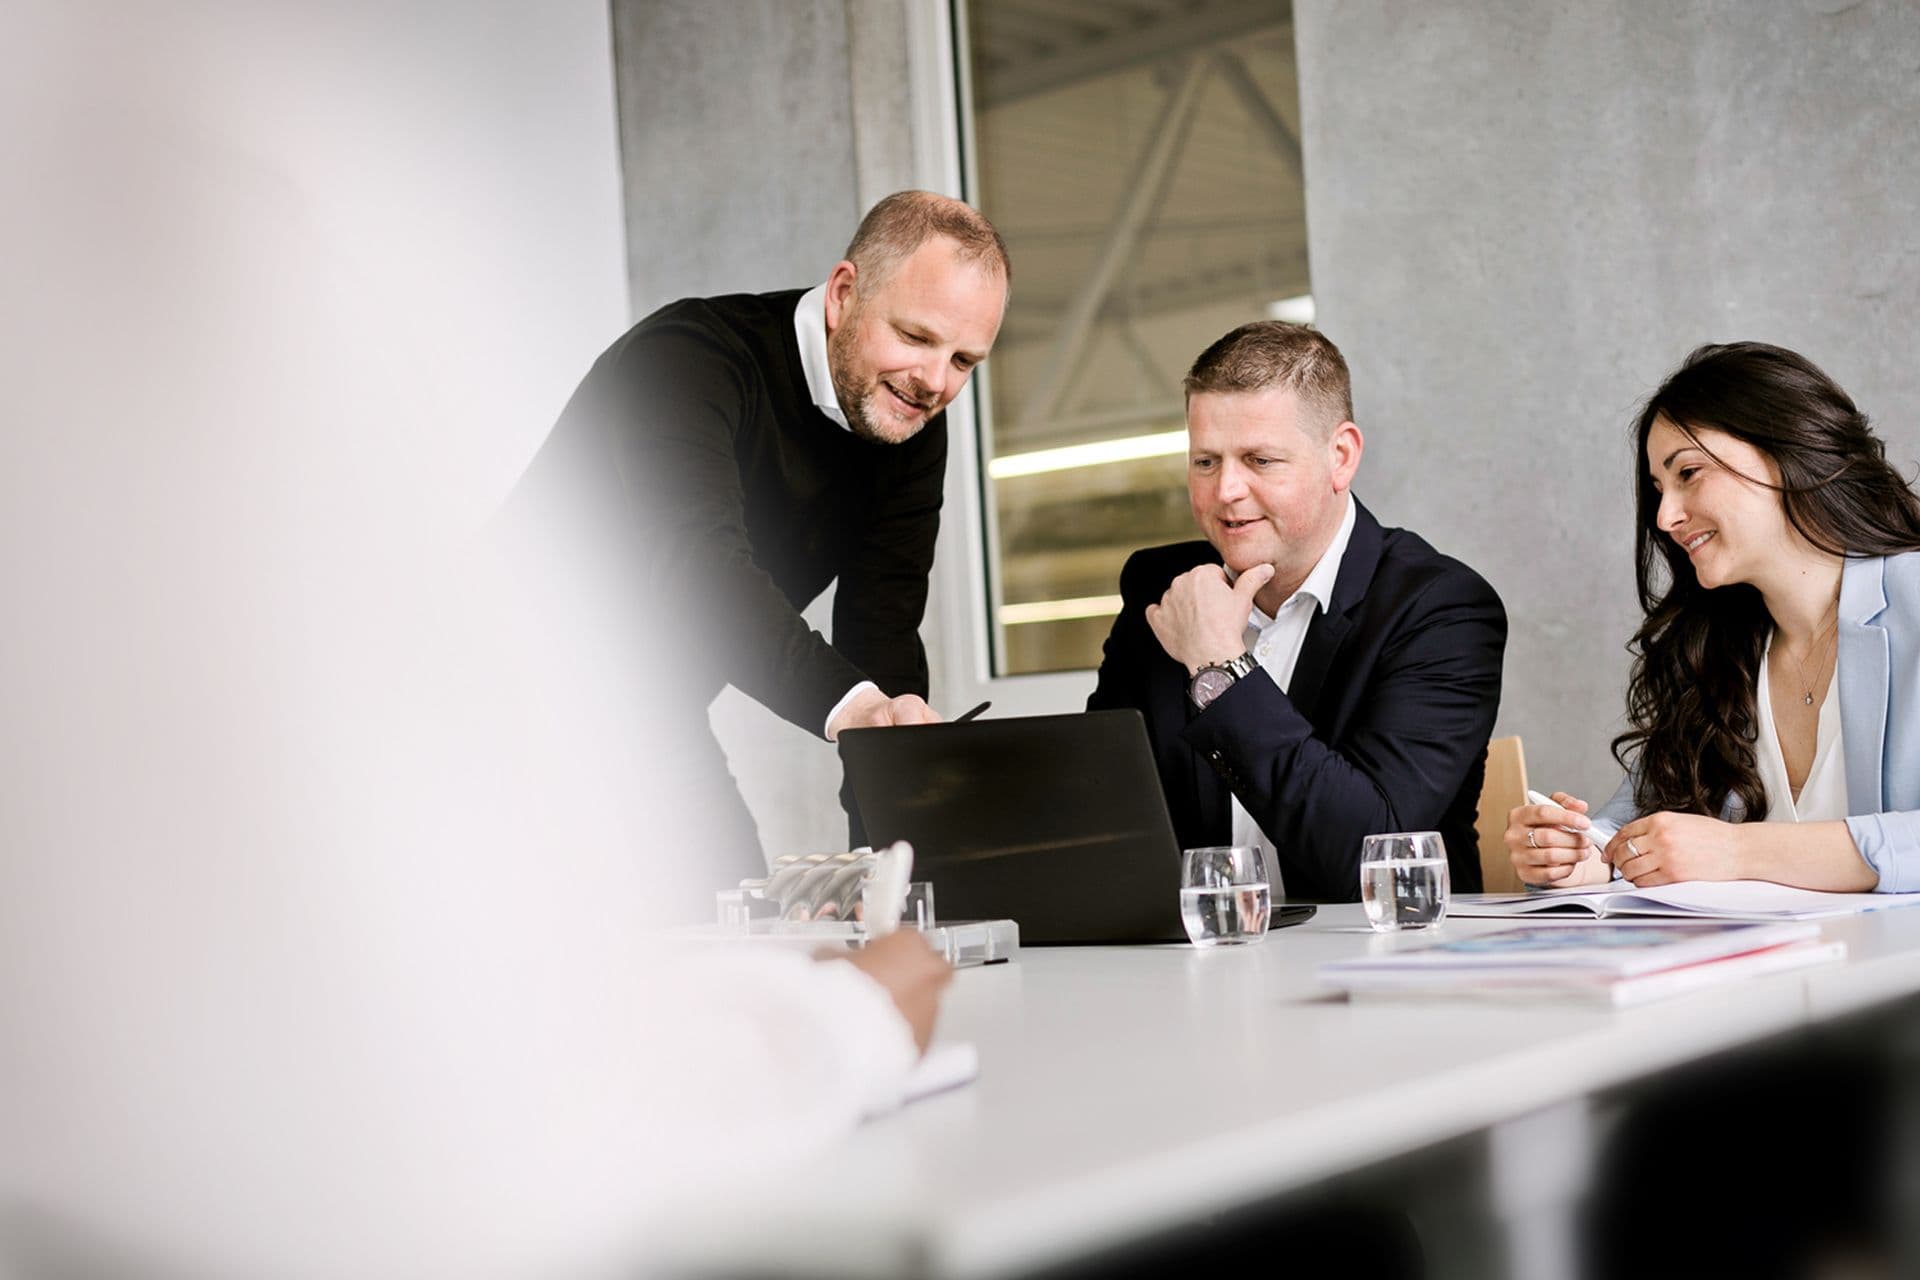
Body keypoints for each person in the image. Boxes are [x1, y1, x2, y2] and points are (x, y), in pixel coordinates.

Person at [508, 190, 1010, 877]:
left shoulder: (908, 425)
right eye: (917, 338)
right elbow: (698, 570)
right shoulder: (686, 357)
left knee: (730, 905)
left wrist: (888, 864)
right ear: (843, 295)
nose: (934, 382)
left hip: (649, 709)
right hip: (499, 696)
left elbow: (883, 633)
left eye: (963, 361)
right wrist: (854, 708)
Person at [1087, 321, 1507, 902]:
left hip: (1384, 949)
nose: (1226, 490)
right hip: (1203, 947)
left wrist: (1220, 664)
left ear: (1341, 456)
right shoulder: (1163, 589)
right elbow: (1105, 810)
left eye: (1259, 460)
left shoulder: (1441, 609)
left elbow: (1368, 858)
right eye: (1206, 461)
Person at [1508, 341, 1920, 893]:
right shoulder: (1717, 648)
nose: (1665, 517)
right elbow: (1639, 824)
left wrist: (1738, 850)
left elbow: (1715, 849)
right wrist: (1586, 856)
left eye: (1689, 472)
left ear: (1789, 449)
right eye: (1659, 489)